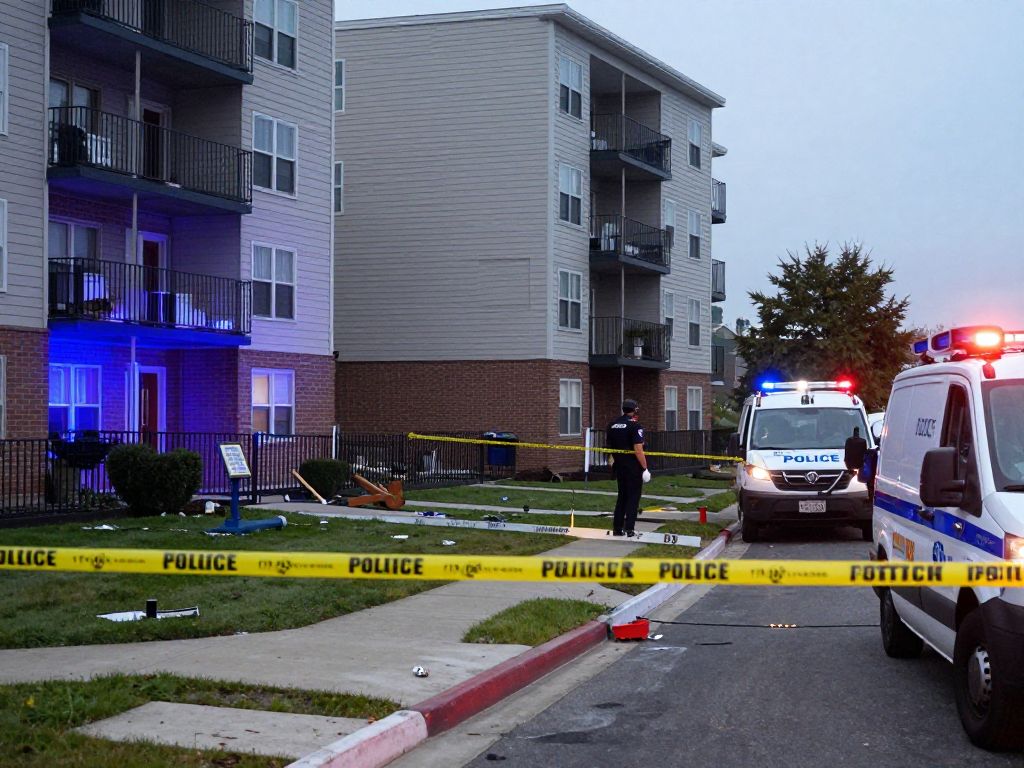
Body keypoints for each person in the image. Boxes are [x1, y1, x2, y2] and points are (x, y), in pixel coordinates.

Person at [607, 398, 650, 537]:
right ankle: (629, 528)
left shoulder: (612, 425)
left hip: (619, 466)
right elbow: (638, 449)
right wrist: (645, 468)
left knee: (622, 497)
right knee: (633, 497)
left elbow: (610, 447)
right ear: (635, 410)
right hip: (633, 468)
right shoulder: (635, 426)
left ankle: (617, 528)